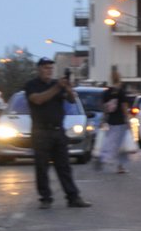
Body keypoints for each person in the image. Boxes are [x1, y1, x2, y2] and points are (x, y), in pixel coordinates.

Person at [23, 59, 91, 209]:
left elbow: (72, 100)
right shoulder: (32, 85)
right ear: (39, 69)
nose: (49, 71)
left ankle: (73, 197)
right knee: (42, 167)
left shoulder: (58, 85)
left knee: (64, 166)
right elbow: (38, 100)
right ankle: (45, 198)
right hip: (41, 131)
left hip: (58, 130)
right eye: (46, 68)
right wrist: (56, 87)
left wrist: (67, 88)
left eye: (51, 68)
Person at [95, 72, 133, 174]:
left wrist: (103, 120)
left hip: (111, 121)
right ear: (119, 79)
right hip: (120, 121)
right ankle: (119, 166)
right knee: (121, 144)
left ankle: (103, 158)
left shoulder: (106, 93)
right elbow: (124, 107)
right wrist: (128, 120)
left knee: (110, 141)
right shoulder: (121, 92)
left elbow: (104, 109)